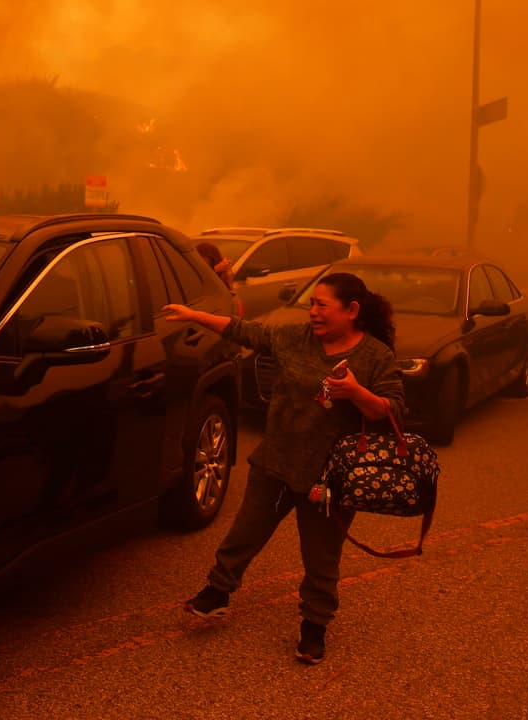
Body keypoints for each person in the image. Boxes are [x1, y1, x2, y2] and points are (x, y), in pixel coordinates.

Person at [162, 272, 405, 665]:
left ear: (351, 310)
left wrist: (355, 392)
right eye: (311, 304)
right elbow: (245, 331)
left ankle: (314, 626)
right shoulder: (294, 338)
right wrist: (194, 316)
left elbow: (393, 410)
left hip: (329, 480)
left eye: (322, 305)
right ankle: (217, 592)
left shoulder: (375, 356)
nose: (313, 312)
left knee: (321, 557)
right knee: (245, 533)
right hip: (275, 463)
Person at [196, 241, 241, 315]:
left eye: (207, 264)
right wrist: (216, 269)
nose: (204, 267)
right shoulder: (194, 278)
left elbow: (230, 295)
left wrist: (226, 274)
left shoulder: (221, 279)